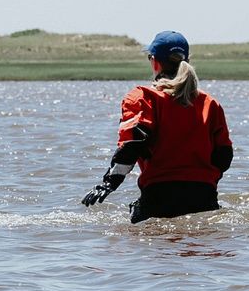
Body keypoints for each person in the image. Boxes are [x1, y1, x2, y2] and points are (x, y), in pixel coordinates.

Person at [82, 31, 233, 223]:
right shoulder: (210, 104)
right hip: (205, 198)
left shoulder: (143, 98)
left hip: (159, 198)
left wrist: (107, 184)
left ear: (154, 62)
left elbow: (132, 145)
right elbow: (224, 157)